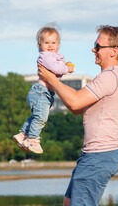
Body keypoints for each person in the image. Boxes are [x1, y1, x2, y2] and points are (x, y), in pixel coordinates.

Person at [38, 25, 118, 205]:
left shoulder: (109, 77)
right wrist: (52, 83)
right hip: (94, 155)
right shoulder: (109, 77)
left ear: (113, 51)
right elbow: (77, 108)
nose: (93, 49)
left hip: (100, 154)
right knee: (69, 201)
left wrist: (51, 79)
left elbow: (75, 101)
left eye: (98, 46)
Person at [13, 25, 74, 154]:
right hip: (41, 91)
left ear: (59, 44)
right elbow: (56, 68)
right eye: (47, 43)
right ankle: (32, 140)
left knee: (36, 116)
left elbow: (56, 67)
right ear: (40, 44)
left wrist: (64, 64)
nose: (50, 46)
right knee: (41, 118)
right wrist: (66, 69)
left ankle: (22, 134)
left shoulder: (52, 56)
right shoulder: (46, 56)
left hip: (42, 92)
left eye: (53, 43)